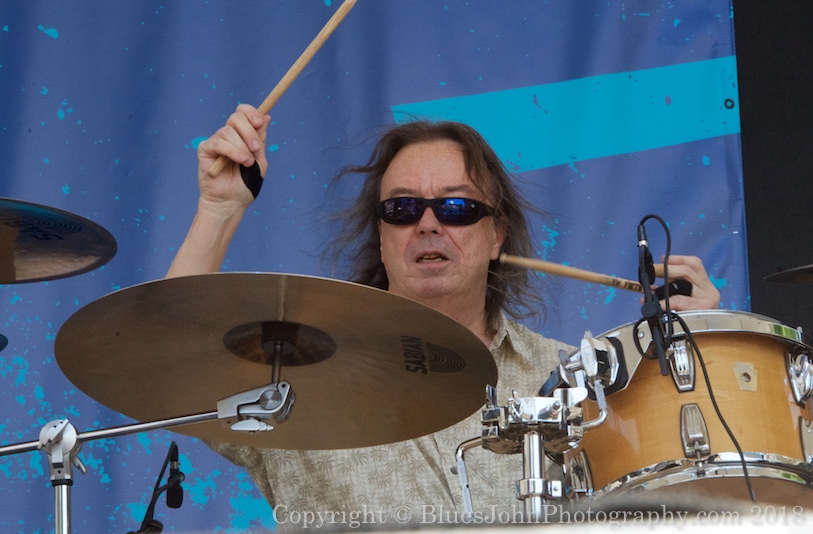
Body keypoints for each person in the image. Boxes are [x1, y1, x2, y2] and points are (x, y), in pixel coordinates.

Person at [167, 105, 721, 528]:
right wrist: (219, 209)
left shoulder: (575, 378)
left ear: (496, 234)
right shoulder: (299, 373)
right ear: (381, 237)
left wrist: (701, 344)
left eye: (456, 208)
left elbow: (684, 494)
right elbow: (169, 367)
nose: (428, 224)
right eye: (403, 209)